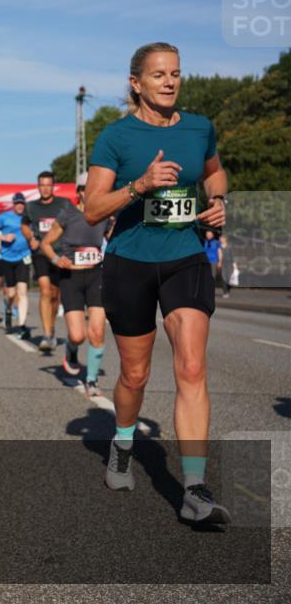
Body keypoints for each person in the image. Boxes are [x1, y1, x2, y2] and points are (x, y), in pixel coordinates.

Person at [85, 42, 230, 525]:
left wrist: (218, 201)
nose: (169, 82)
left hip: (185, 257)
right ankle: (122, 442)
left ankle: (194, 488)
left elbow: (214, 174)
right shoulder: (116, 137)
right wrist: (139, 186)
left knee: (191, 366)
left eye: (176, 73)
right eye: (158, 75)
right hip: (130, 262)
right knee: (135, 374)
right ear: (136, 83)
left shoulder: (198, 128)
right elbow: (92, 208)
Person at [41, 173, 111, 396]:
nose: (89, 193)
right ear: (79, 192)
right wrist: (55, 259)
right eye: (85, 189)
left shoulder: (105, 216)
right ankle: (71, 351)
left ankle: (91, 380)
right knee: (78, 335)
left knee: (98, 332)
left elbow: (117, 239)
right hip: (71, 278)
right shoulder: (68, 214)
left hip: (96, 277)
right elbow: (46, 243)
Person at [22, 170, 73, 354]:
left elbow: (73, 222)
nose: (45, 189)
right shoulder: (31, 207)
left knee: (55, 294)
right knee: (45, 289)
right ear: (38, 186)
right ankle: (46, 335)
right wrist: (31, 238)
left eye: (48, 185)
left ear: (53, 186)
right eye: (42, 185)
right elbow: (24, 225)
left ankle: (51, 329)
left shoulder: (64, 204)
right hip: (41, 253)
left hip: (60, 254)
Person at [0, 193, 31, 337]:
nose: (20, 205)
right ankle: (8, 309)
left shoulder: (28, 217)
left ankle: (22, 325)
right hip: (7, 258)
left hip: (24, 257)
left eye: (22, 203)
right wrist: (3, 237)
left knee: (23, 292)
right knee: (11, 293)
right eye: (17, 203)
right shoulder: (4, 217)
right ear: (13, 204)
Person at [218, 234, 236, 298]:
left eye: (222, 238)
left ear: (225, 239)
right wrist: (219, 263)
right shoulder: (219, 247)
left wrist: (234, 264)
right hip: (223, 263)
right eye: (220, 238)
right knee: (224, 278)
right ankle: (225, 292)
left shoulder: (230, 246)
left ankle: (228, 290)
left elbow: (232, 256)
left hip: (229, 263)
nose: (220, 239)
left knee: (228, 278)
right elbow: (219, 256)